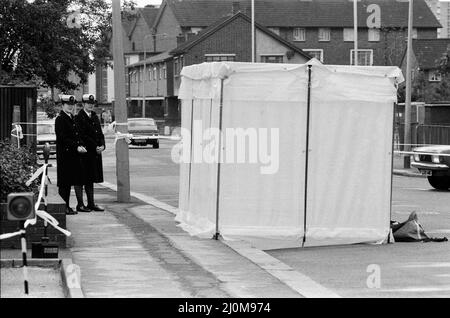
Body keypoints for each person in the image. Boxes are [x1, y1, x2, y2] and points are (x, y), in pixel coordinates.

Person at [55, 95, 87, 215]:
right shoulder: (60, 119)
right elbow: (62, 138)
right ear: (62, 105)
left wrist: (81, 144)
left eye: (72, 105)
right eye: (68, 104)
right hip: (65, 156)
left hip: (73, 156)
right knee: (65, 183)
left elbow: (77, 135)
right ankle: (64, 206)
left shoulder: (72, 118)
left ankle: (67, 206)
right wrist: (76, 146)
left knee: (70, 182)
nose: (70, 107)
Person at [73, 94, 105, 212]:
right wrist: (95, 145)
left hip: (94, 154)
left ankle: (91, 203)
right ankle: (80, 204)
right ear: (83, 104)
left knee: (90, 179)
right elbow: (82, 136)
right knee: (80, 179)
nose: (91, 105)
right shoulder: (78, 117)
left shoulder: (95, 116)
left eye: (92, 104)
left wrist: (102, 145)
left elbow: (100, 133)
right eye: (88, 103)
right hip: (84, 153)